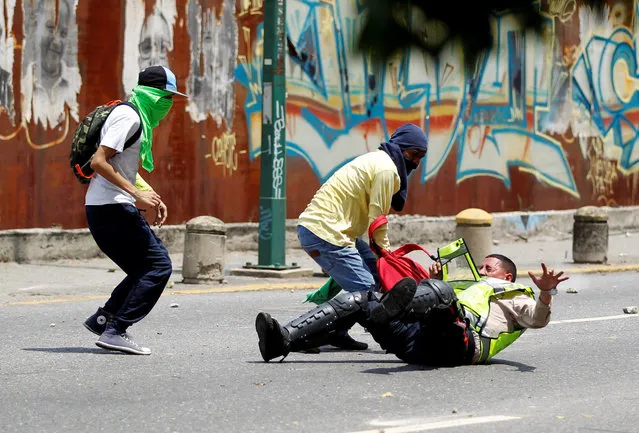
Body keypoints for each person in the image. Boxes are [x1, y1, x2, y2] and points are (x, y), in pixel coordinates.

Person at [255, 254, 569, 365]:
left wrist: (546, 292)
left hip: (459, 345)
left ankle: (392, 311)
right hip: (415, 343)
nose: (482, 271)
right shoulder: (467, 287)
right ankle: (282, 340)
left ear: (507, 275)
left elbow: (538, 320)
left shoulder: (515, 292)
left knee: (442, 293)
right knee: (359, 298)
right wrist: (429, 282)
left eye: (488, 267)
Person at [82, 65, 188, 355]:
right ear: (151, 94)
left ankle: (103, 319)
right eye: (165, 96)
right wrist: (135, 193)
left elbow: (121, 166)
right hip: (111, 209)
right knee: (159, 266)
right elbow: (99, 162)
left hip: (106, 208)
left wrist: (149, 193)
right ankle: (116, 330)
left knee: (144, 268)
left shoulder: (134, 115)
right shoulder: (128, 116)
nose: (168, 104)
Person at [296, 123, 428, 350]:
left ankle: (337, 331)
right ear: (401, 147)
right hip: (326, 234)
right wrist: (388, 257)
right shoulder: (387, 169)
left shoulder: (379, 161)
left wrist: (381, 262)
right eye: (414, 154)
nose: (416, 162)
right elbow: (378, 222)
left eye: (421, 157)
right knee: (367, 293)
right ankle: (305, 335)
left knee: (374, 276)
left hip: (334, 231)